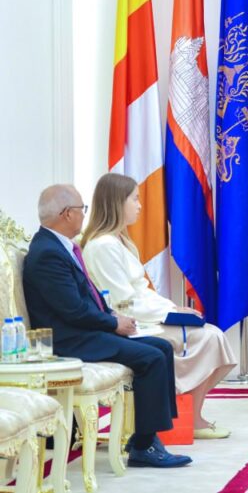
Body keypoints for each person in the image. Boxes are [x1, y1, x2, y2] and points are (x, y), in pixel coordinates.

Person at [22, 185, 190, 468]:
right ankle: (144, 446)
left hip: (83, 331)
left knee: (160, 347)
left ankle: (147, 437)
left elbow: (86, 296)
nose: (84, 215)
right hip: (68, 340)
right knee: (150, 358)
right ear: (67, 214)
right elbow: (73, 310)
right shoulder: (47, 253)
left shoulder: (59, 246)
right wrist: (113, 323)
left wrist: (111, 314)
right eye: (82, 209)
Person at [81, 173, 237, 439]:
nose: (140, 205)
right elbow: (123, 302)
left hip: (144, 317)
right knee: (210, 338)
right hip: (129, 325)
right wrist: (170, 314)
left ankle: (188, 414)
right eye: (135, 199)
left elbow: (142, 292)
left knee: (213, 335)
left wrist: (175, 310)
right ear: (117, 202)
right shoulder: (103, 246)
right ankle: (191, 419)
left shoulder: (120, 242)